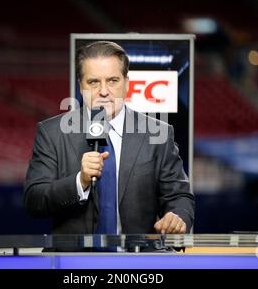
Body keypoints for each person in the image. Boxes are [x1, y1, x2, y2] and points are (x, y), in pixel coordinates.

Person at [24, 41, 195, 239]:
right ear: (80, 86)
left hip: (137, 261)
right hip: (74, 263)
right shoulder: (51, 133)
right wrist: (80, 181)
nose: (104, 91)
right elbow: (34, 200)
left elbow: (179, 196)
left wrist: (176, 216)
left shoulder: (158, 133)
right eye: (93, 82)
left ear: (127, 83)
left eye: (113, 80)